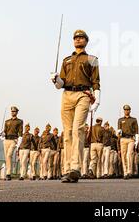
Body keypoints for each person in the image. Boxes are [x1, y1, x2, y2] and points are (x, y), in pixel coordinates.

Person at [51, 29, 101, 183]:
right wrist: (56, 79)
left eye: (81, 38)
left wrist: (97, 99)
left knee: (78, 129)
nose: (78, 39)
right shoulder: (66, 60)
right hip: (67, 95)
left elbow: (96, 81)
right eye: (76, 38)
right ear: (73, 41)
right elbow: (61, 84)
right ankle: (67, 169)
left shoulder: (92, 59)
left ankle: (75, 168)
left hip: (83, 94)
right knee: (67, 132)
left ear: (86, 41)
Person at [117, 105, 139, 180]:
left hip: (131, 139)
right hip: (123, 139)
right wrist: (118, 135)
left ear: (130, 111)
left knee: (129, 154)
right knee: (123, 155)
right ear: (124, 111)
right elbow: (119, 130)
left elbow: (136, 131)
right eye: (125, 110)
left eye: (128, 110)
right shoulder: (120, 120)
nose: (126, 111)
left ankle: (129, 172)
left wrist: (136, 141)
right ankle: (125, 172)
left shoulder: (134, 119)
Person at [2, 106, 23, 181]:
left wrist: (18, 143)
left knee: (9, 155)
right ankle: (8, 174)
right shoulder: (7, 121)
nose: (13, 112)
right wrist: (2, 133)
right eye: (12, 111)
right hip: (6, 140)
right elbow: (5, 131)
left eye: (14, 111)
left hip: (14, 140)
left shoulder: (19, 121)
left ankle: (8, 173)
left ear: (17, 112)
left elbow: (20, 132)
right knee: (7, 158)